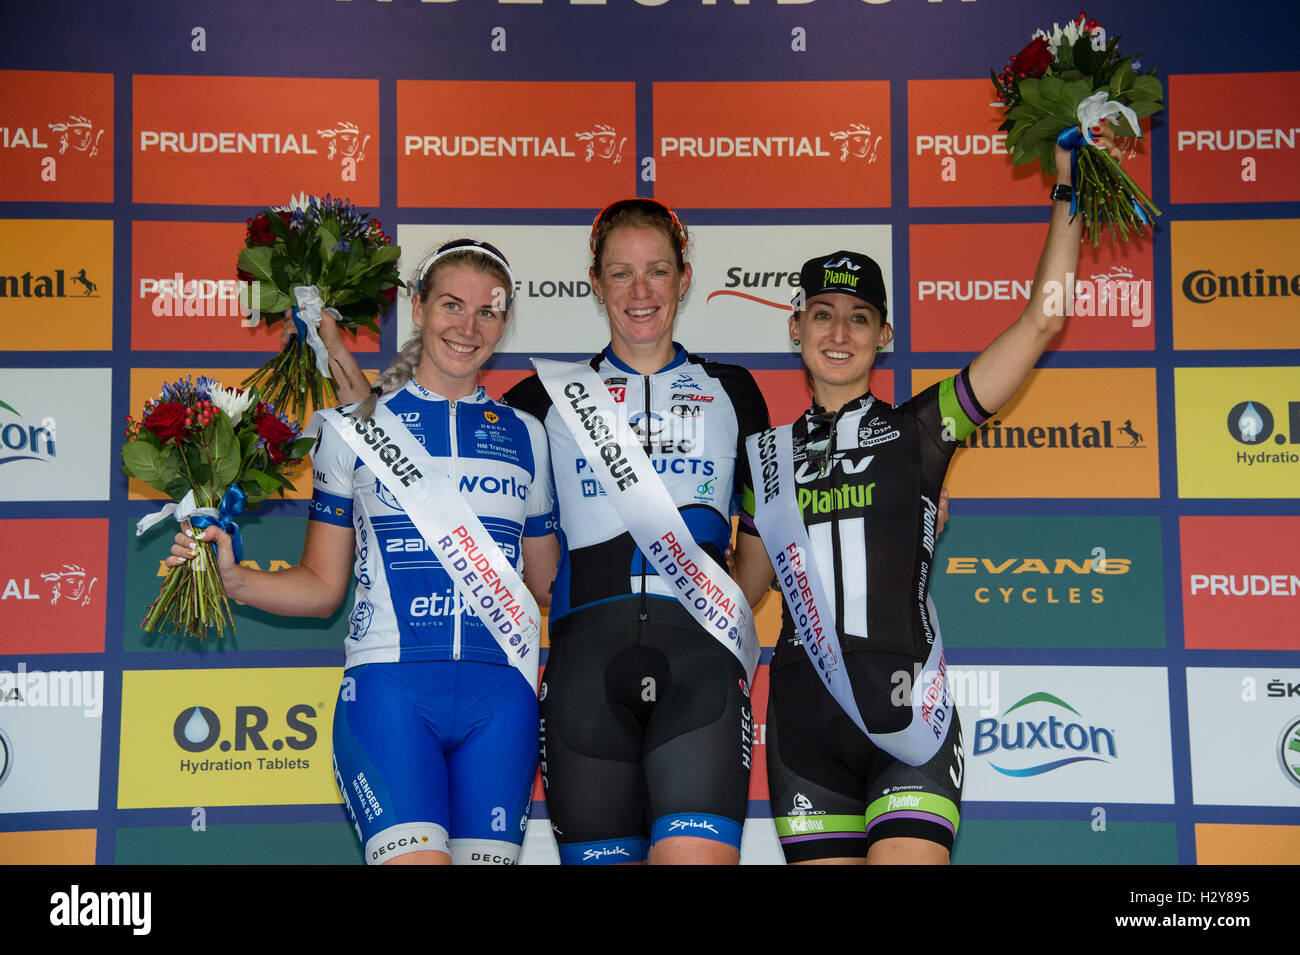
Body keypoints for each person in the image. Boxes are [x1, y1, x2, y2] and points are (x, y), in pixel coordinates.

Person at [741, 131, 1122, 865]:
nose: (839, 331)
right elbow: (739, 593)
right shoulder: (764, 459)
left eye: (859, 317)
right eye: (822, 313)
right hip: (802, 720)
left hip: (908, 715)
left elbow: (1041, 320)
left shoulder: (922, 429)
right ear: (796, 328)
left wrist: (1070, 190)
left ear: (885, 333)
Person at [169, 239, 560, 865]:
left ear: (506, 321)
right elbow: (322, 586)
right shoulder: (351, 433)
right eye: (451, 305)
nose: (467, 327)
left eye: (488, 311)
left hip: (503, 701)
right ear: (417, 307)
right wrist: (235, 578)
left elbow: (549, 587)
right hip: (390, 695)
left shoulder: (528, 435)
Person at [503, 198, 772, 865]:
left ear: (684, 277)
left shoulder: (735, 391)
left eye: (656, 270)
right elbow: (433, 446)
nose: (641, 290)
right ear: (595, 283)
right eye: (621, 273)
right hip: (584, 679)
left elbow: (762, 547)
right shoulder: (540, 399)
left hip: (701, 673)